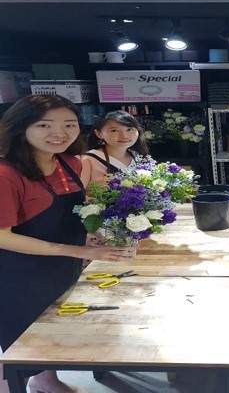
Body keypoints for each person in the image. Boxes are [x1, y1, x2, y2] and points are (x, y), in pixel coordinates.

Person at [0, 95, 135, 393]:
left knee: (50, 330)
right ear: (21, 127)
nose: (59, 133)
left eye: (69, 124)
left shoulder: (68, 162)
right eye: (44, 125)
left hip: (61, 267)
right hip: (18, 275)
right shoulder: (6, 174)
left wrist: (91, 233)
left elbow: (72, 210)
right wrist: (77, 250)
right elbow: (2, 236)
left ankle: (46, 381)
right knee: (19, 340)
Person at [80, 110, 149, 189]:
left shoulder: (138, 156)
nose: (124, 136)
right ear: (99, 134)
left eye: (129, 129)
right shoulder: (88, 159)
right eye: (114, 130)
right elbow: (79, 193)